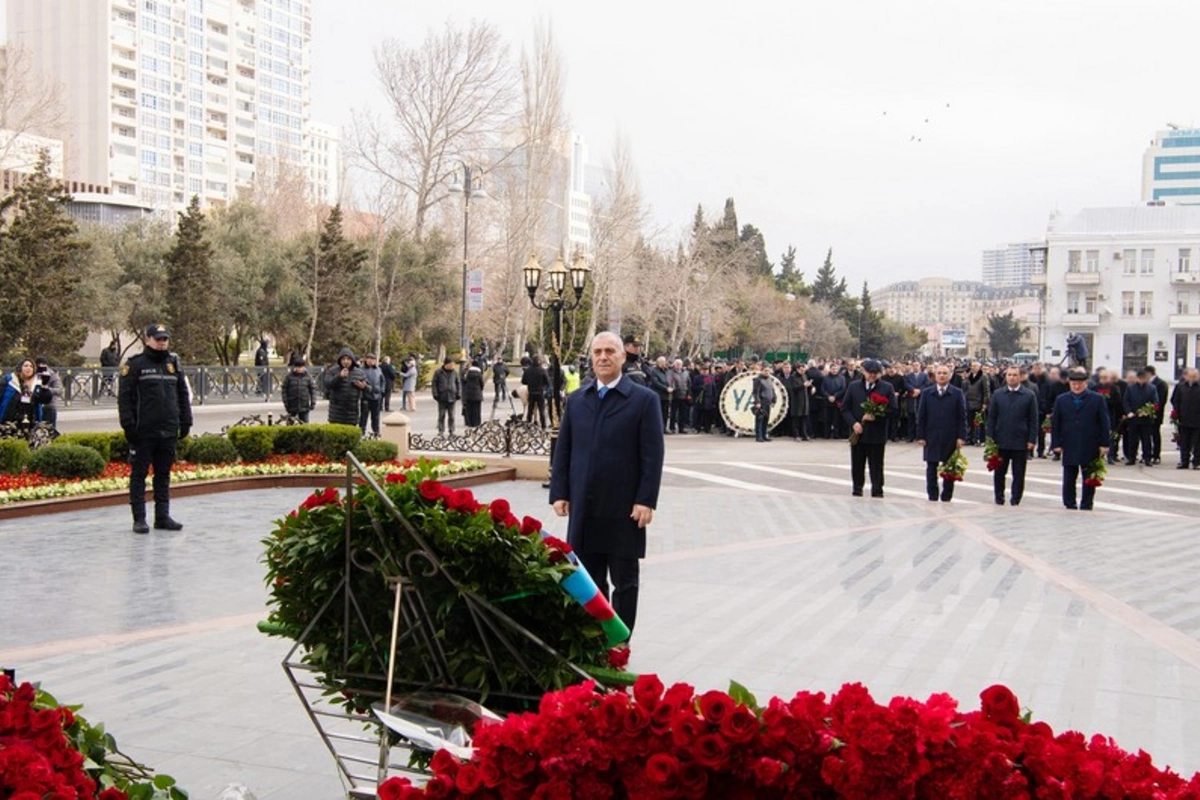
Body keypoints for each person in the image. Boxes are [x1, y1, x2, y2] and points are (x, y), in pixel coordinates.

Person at [550, 331, 664, 639]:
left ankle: (620, 641)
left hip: (625, 508)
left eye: (610, 351)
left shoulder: (643, 400)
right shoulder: (577, 400)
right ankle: (595, 640)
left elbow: (653, 456)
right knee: (589, 580)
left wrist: (646, 500)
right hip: (585, 507)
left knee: (625, 581)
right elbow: (565, 449)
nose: (603, 357)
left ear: (622, 357)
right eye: (598, 351)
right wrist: (559, 491)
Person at [118, 324, 193, 533]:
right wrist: (128, 425)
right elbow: (125, 398)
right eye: (158, 339)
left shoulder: (173, 364)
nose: (162, 343)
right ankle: (139, 518)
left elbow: (182, 395)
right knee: (139, 475)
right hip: (143, 431)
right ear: (147, 339)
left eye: (165, 339)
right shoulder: (135, 365)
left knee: (163, 475)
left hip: (168, 430)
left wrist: (186, 420)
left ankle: (162, 516)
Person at [1051, 367, 1111, 511]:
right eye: (1073, 384)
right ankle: (1069, 502)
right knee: (1069, 476)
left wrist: (1104, 443)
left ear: (1086, 383)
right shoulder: (1062, 400)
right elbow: (1056, 423)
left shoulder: (1097, 399)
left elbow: (1104, 422)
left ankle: (1087, 503)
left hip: (1090, 443)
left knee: (1089, 476)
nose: (1076, 386)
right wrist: (1056, 443)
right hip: (1069, 442)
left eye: (1080, 384)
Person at [842, 359, 897, 498]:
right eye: (869, 373)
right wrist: (854, 423)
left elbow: (893, 410)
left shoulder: (886, 387)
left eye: (875, 373)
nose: (872, 376)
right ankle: (857, 489)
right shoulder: (853, 386)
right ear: (863, 372)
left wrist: (877, 416)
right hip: (858, 433)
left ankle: (877, 490)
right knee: (857, 464)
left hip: (876, 434)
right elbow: (845, 408)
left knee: (876, 465)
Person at [986, 366, 1040, 506]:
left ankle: (1015, 499)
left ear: (1020, 377)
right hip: (1000, 441)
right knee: (999, 473)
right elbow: (991, 418)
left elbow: (1033, 420)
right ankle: (999, 498)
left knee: (1019, 474)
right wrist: (990, 439)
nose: (1012, 377)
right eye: (1009, 375)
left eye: (1015, 375)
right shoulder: (998, 394)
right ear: (1005, 376)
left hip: (1020, 441)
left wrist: (1031, 439)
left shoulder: (1029, 395)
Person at [915, 364, 967, 502]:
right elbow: (921, 415)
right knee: (931, 466)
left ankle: (947, 495)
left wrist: (961, 436)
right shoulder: (927, 393)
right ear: (935, 375)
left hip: (950, 435)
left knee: (949, 468)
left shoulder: (957, 393)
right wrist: (920, 435)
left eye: (945, 373)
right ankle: (932, 495)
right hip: (931, 435)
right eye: (939, 373)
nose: (942, 375)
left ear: (950, 375)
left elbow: (962, 416)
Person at [1121, 368, 1158, 467]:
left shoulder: (1152, 388)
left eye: (1144, 378)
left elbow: (1155, 402)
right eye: (1140, 378)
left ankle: (1147, 458)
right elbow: (1126, 401)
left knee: (1146, 440)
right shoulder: (1130, 388)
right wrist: (1128, 412)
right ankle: (1131, 458)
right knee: (1132, 439)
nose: (1142, 380)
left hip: (1146, 419)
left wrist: (1148, 411)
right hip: (1133, 418)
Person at [0, 358, 50, 426]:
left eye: (31, 366)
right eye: (26, 366)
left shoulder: (37, 384)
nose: (28, 368)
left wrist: (44, 386)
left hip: (31, 421)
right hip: (9, 422)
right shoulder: (9, 381)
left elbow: (45, 400)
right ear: (20, 368)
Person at [323, 348, 365, 426]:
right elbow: (327, 384)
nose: (346, 361)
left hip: (352, 413)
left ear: (352, 360)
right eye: (343, 359)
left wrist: (363, 387)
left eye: (348, 359)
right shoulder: (332, 371)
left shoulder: (359, 372)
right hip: (336, 412)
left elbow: (369, 389)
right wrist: (339, 377)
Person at [1171, 367, 1200, 469]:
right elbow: (1175, 400)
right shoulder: (1180, 387)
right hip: (1184, 419)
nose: (1193, 378)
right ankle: (1184, 461)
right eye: (1191, 376)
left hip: (1197, 420)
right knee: (1184, 442)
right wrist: (1177, 412)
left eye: (1195, 376)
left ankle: (1196, 462)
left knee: (1197, 443)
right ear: (1186, 376)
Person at [432, 357, 462, 436]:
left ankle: (451, 430)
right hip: (442, 396)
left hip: (452, 396)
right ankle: (441, 430)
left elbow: (458, 383)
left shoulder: (454, 373)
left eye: (453, 364)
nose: (453, 366)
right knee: (441, 415)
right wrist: (435, 394)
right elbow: (434, 384)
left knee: (451, 416)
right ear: (446, 364)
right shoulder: (438, 372)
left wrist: (459, 393)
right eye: (451, 364)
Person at [1145, 365, 1169, 464]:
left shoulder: (1161, 384)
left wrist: (1152, 409)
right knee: (1146, 436)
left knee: (1155, 434)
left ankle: (1156, 455)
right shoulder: (1145, 383)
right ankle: (1147, 454)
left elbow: (1161, 400)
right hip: (1145, 414)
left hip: (1156, 414)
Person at [358, 353, 385, 437]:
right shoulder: (361, 370)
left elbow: (383, 380)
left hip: (376, 396)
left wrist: (381, 390)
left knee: (376, 416)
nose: (371, 361)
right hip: (365, 396)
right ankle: (361, 431)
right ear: (366, 359)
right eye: (369, 359)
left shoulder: (378, 369)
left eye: (373, 359)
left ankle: (376, 431)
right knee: (364, 416)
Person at [281, 357, 316, 423]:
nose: (299, 369)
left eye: (301, 367)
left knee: (304, 425)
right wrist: (286, 403)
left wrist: (313, 402)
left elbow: (313, 390)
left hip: (304, 406)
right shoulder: (289, 377)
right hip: (292, 405)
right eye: (298, 367)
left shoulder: (308, 377)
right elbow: (284, 390)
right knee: (290, 425)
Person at [32, 358, 63, 431]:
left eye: (43, 365)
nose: (41, 367)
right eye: (39, 365)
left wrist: (47, 389)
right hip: (34, 406)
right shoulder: (32, 374)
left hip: (49, 406)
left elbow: (59, 390)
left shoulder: (52, 375)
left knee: (49, 431)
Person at [522, 356, 550, 428]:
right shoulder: (542, 370)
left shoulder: (528, 370)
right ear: (540, 362)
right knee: (541, 410)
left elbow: (523, 381)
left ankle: (528, 424)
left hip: (531, 392)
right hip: (540, 392)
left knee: (530, 409)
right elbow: (547, 382)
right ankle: (543, 425)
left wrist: (530, 383)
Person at [751, 362, 776, 442]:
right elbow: (755, 392)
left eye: (768, 371)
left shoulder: (769, 379)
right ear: (761, 371)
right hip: (761, 402)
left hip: (768, 402)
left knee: (766, 419)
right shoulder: (758, 380)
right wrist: (757, 402)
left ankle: (764, 435)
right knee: (760, 419)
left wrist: (774, 399)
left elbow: (772, 390)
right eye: (765, 371)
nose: (767, 372)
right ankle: (759, 436)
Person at [461, 359, 485, 430]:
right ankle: (477, 422)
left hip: (468, 394)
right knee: (477, 409)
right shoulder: (479, 374)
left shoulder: (467, 373)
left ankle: (469, 422)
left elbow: (462, 380)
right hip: (477, 394)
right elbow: (482, 384)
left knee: (469, 409)